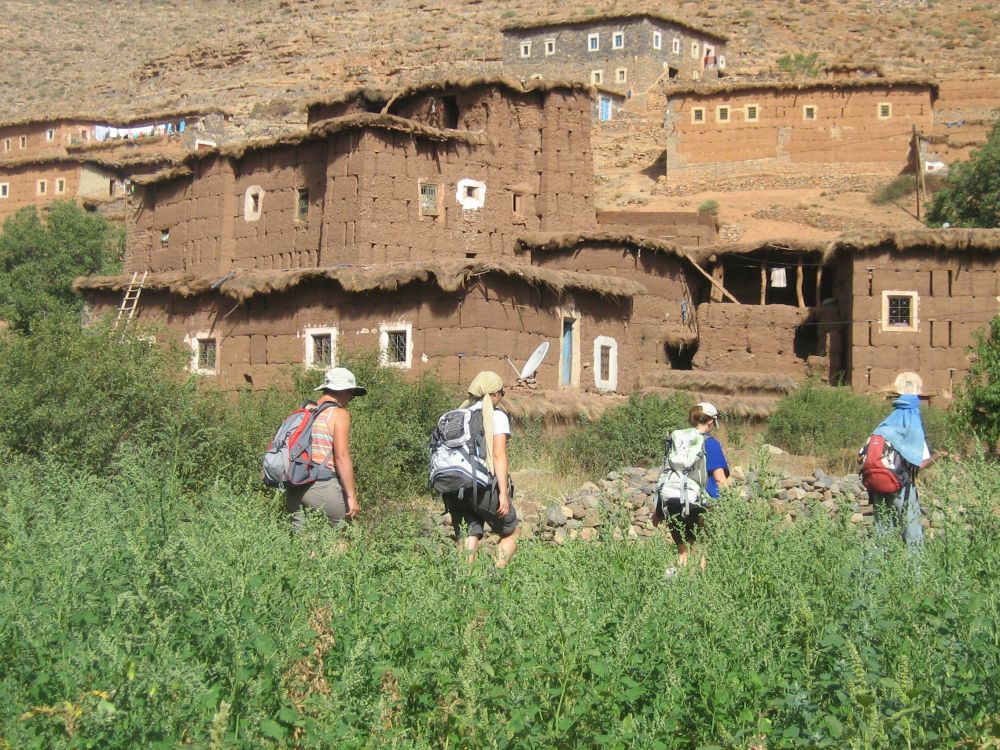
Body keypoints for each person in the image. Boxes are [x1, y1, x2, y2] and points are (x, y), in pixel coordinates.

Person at [443, 371, 519, 568]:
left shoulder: (456, 415)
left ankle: (465, 589)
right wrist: (503, 493)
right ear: (494, 394)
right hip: (483, 487)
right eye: (501, 393)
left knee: (469, 534)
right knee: (511, 532)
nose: (501, 397)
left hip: (454, 488)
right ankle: (492, 580)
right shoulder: (497, 416)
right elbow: (498, 455)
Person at [859, 394, 947, 547]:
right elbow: (919, 464)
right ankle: (914, 570)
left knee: (883, 533)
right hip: (901, 488)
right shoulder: (910, 431)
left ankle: (878, 569)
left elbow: (860, 459)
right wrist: (939, 455)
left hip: (876, 489)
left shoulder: (879, 431)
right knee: (912, 532)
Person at [284, 367, 366, 529]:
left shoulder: (304, 411)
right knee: (346, 535)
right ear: (343, 391)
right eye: (351, 393)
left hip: (294, 485)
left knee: (304, 546)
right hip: (322, 484)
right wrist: (351, 497)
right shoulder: (338, 414)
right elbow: (341, 457)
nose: (350, 398)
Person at [653, 401, 730, 572]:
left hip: (674, 501)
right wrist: (731, 504)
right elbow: (719, 479)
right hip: (703, 504)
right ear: (711, 421)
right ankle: (698, 589)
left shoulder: (678, 441)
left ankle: (677, 588)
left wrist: (657, 509)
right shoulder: (710, 443)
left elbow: (665, 473)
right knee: (701, 552)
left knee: (683, 554)